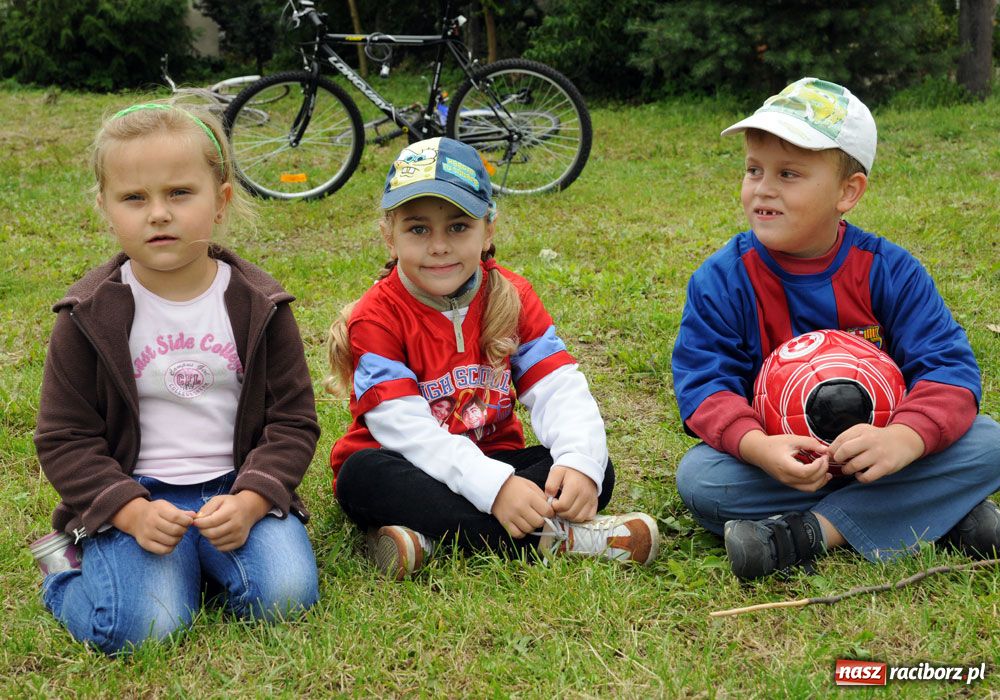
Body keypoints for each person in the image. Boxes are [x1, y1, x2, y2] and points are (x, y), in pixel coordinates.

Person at [671, 77, 1000, 580]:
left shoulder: (889, 271)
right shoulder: (722, 280)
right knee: (701, 480)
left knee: (990, 442)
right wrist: (760, 448)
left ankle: (808, 535)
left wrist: (905, 441)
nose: (763, 187)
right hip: (786, 468)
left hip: (887, 453)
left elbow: (950, 369)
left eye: (789, 173)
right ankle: (939, 512)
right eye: (754, 169)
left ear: (848, 191)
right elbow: (704, 384)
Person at [29, 102, 321, 654]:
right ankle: (66, 576)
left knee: (285, 596)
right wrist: (130, 510)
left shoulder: (260, 307)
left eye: (180, 193)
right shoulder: (86, 316)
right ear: (105, 207)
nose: (158, 213)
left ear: (221, 201)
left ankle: (194, 566)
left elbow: (293, 422)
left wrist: (255, 500)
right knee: (143, 630)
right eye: (135, 198)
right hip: (135, 495)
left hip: (234, 487)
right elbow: (63, 439)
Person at [326, 137, 659, 580]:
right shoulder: (376, 315)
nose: (439, 246)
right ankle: (566, 541)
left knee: (594, 469)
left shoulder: (514, 297)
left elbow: (559, 387)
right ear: (390, 236)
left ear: (488, 230)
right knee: (362, 477)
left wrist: (579, 462)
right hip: (404, 465)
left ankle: (424, 537)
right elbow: (403, 429)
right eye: (418, 228)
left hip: (495, 458)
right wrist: (495, 490)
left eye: (459, 226)